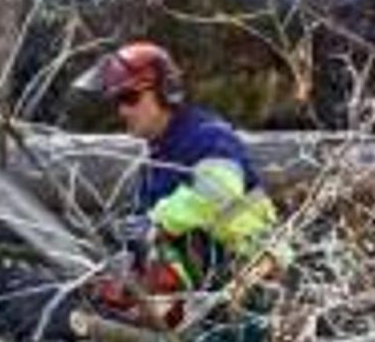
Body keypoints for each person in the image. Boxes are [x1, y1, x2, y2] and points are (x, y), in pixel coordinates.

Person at [72, 40, 281, 332]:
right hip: (203, 288)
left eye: (130, 97)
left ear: (164, 93)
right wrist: (129, 259)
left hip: (246, 279)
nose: (122, 111)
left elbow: (217, 193)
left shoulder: (208, 137)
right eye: (117, 101)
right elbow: (148, 225)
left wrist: (156, 222)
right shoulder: (155, 157)